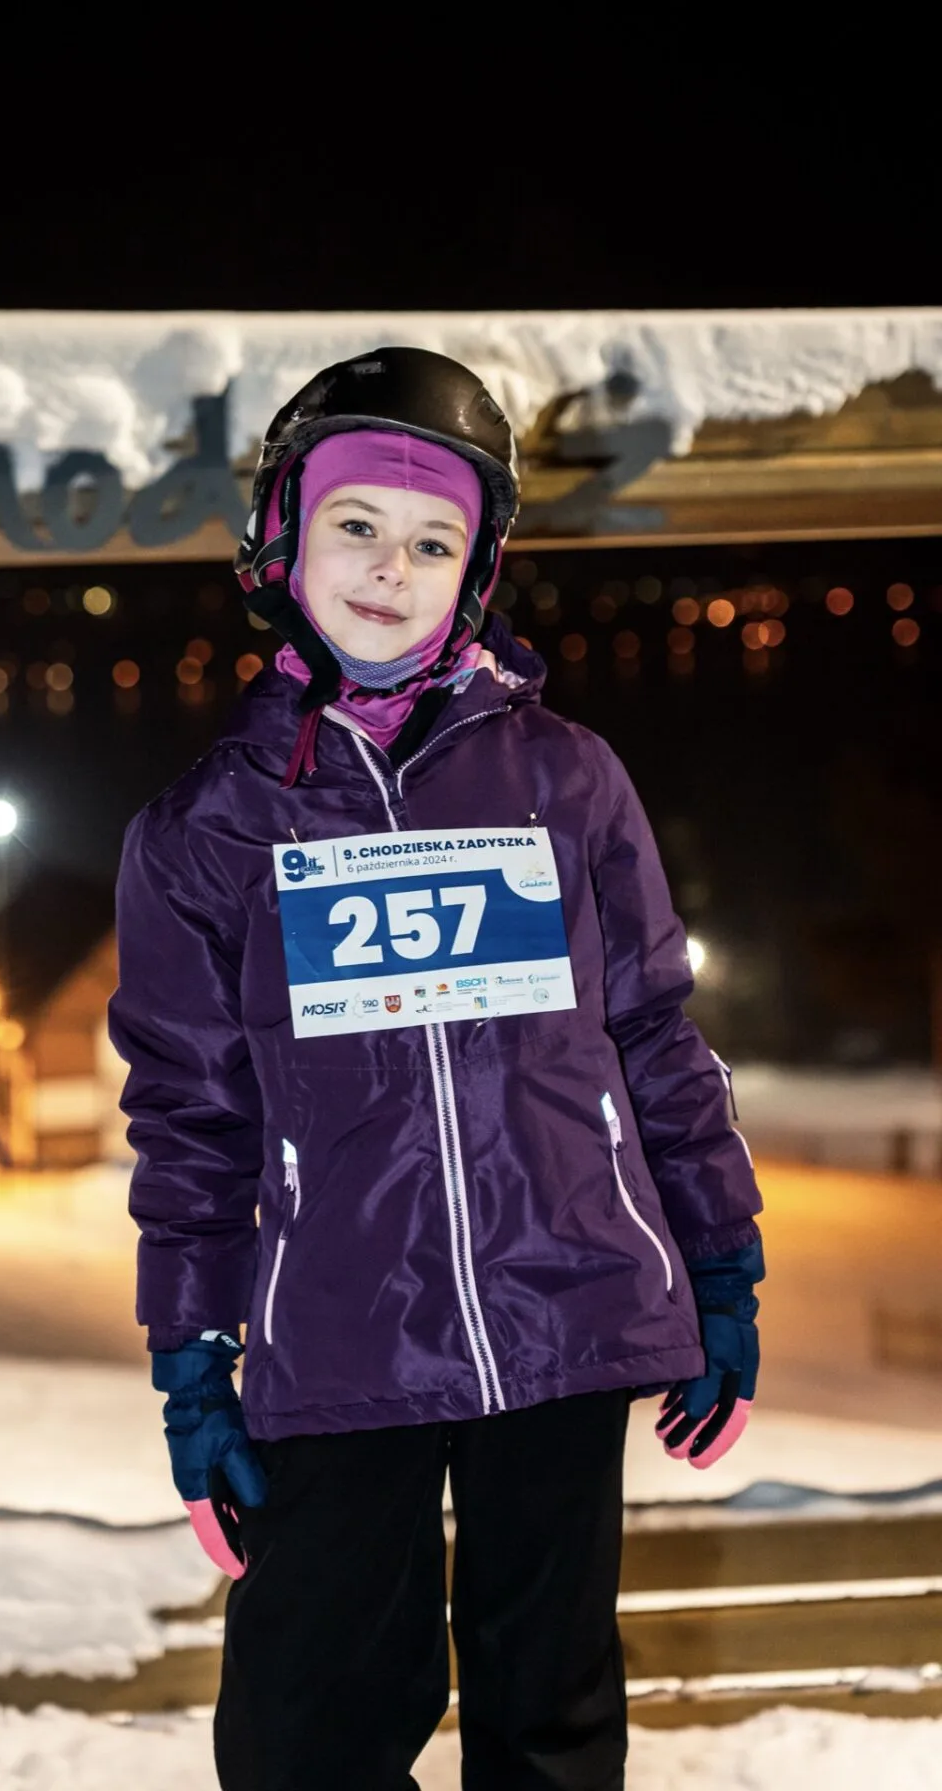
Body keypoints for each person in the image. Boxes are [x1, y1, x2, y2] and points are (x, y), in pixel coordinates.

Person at [109, 348, 765, 1791]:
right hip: (341, 1335)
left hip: (567, 1311)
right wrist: (191, 1360)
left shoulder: (567, 779)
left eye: (431, 542)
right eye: (356, 526)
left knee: (550, 1731)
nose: (389, 571)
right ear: (285, 537)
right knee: (301, 1743)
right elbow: (190, 1118)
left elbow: (654, 1030)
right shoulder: (209, 832)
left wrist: (722, 1262)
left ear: (476, 572)